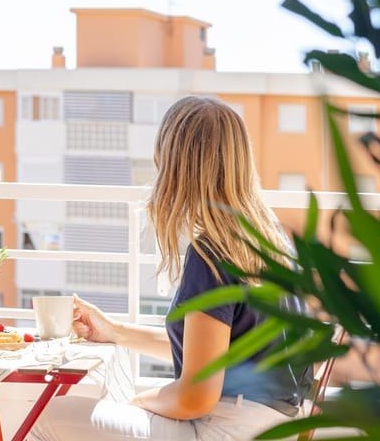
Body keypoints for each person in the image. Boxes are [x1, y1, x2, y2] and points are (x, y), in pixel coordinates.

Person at [30, 95, 312, 441]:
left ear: (178, 168)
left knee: (52, 415)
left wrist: (136, 401)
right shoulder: (270, 242)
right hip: (274, 428)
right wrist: (115, 330)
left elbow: (196, 396)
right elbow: (208, 351)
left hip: (224, 429)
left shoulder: (212, 254)